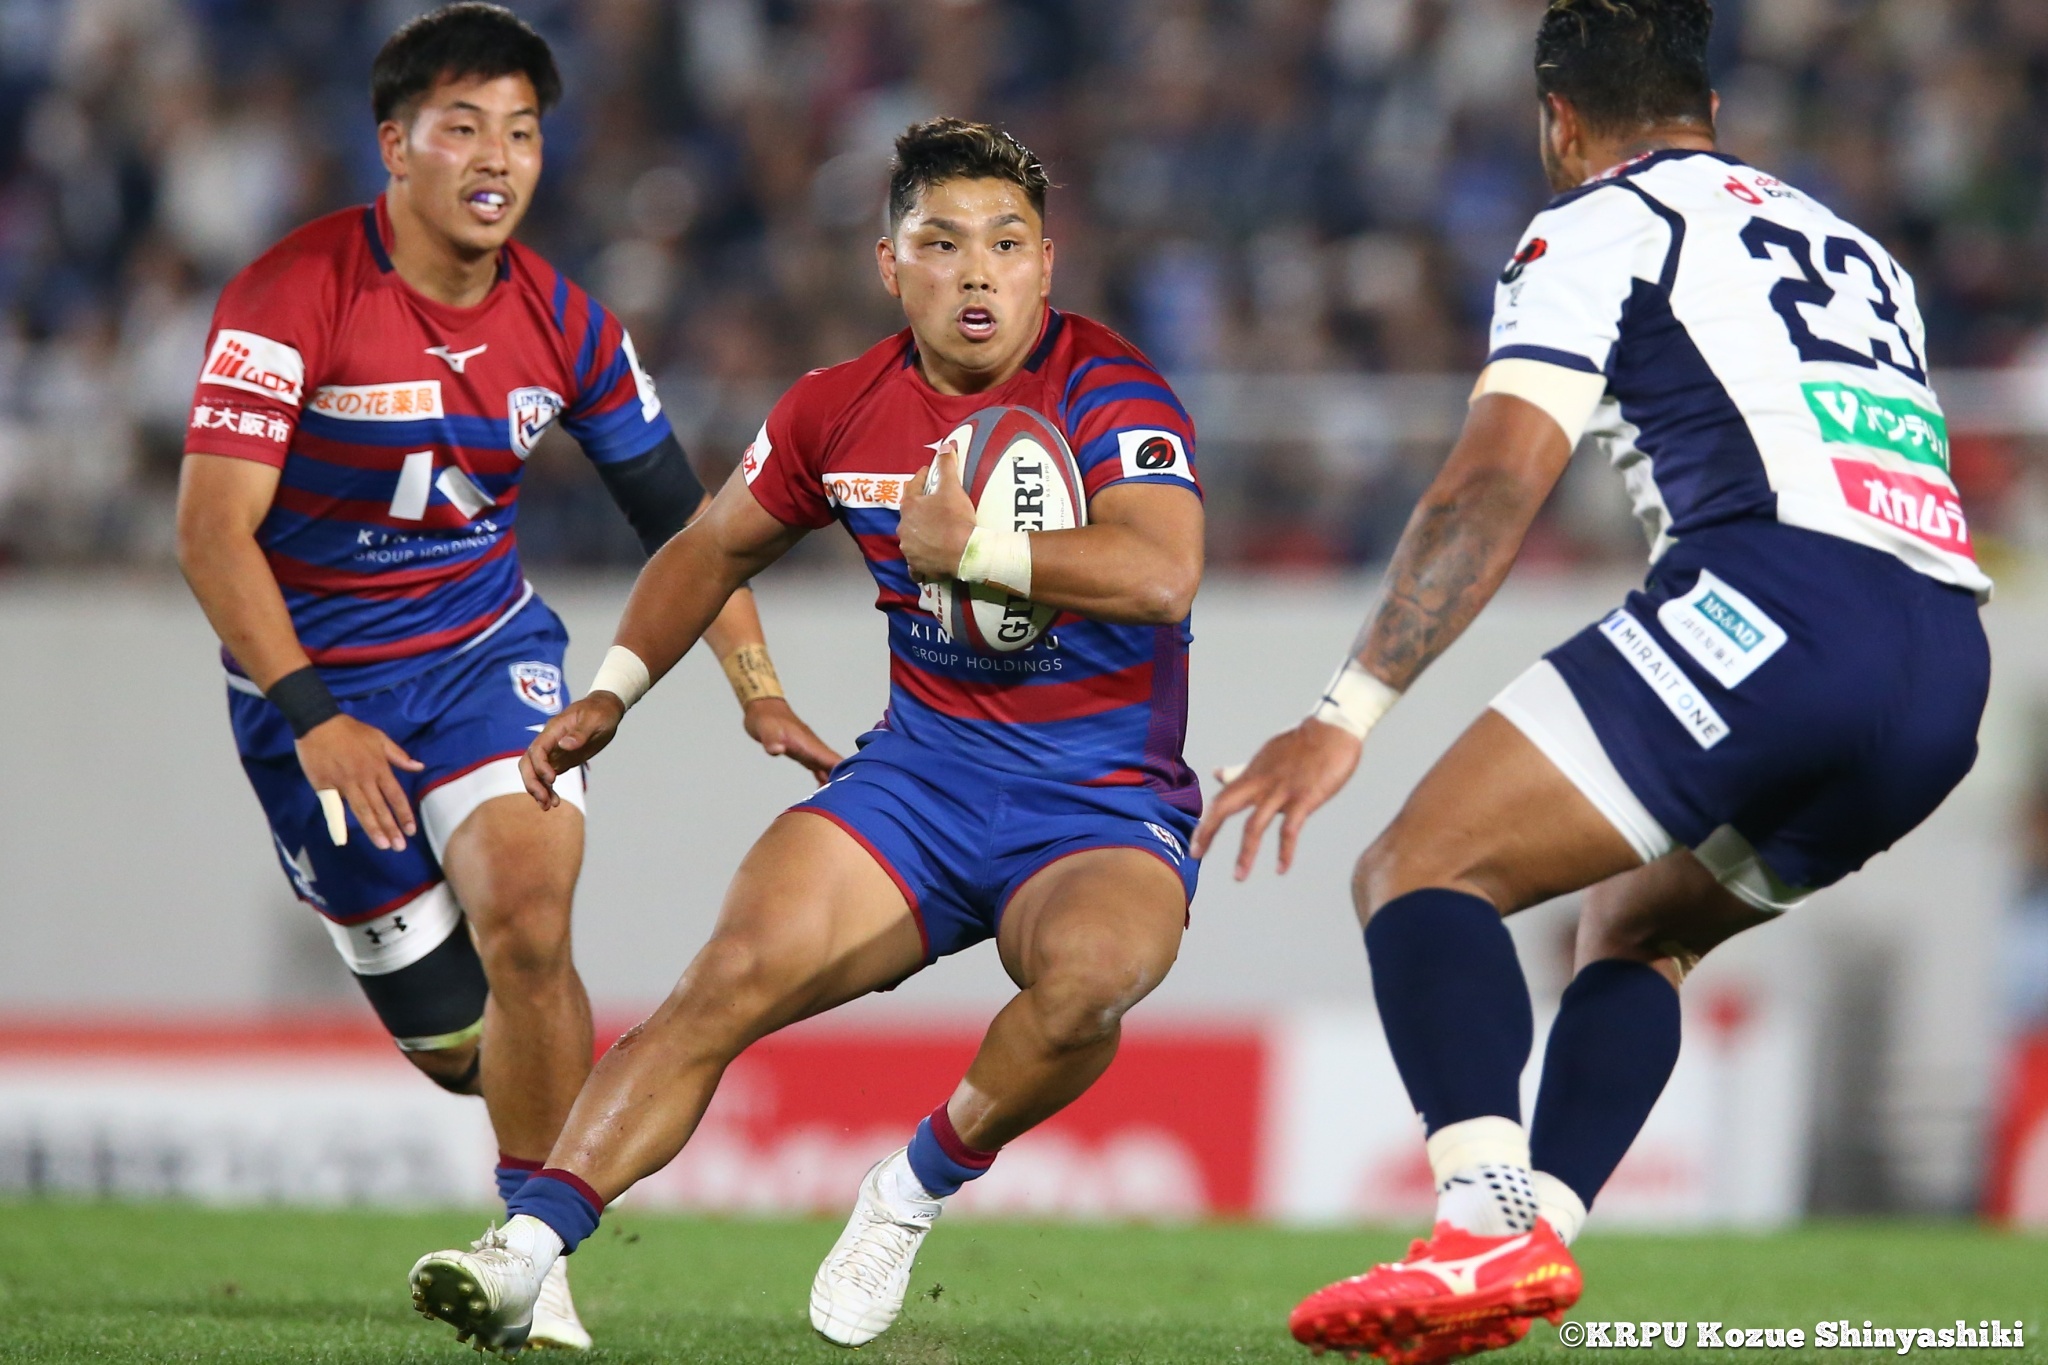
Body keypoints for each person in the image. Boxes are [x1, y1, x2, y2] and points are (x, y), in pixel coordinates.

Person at [1194, 1, 1991, 1360]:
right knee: (1638, 926)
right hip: (1944, 663)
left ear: (1558, 123)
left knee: (1420, 868)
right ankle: (1532, 1240)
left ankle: (1478, 1220)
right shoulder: (1857, 248)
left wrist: (1344, 714)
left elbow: (1495, 479)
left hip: (1780, 601)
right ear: (1711, 113)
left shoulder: (1597, 222)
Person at [405, 116, 1207, 1356]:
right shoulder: (836, 408)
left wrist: (977, 550)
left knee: (1091, 985)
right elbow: (708, 548)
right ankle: (525, 1253)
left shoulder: (1111, 388)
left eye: (1007, 244)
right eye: (941, 243)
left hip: (1099, 802)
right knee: (721, 984)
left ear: (1047, 264)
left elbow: (1161, 574)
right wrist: (614, 688)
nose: (978, 272)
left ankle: (909, 1189)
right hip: (916, 789)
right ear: (890, 265)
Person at [173, 5, 834, 1350]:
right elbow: (209, 532)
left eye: (522, 133)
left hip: (486, 660)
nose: (497, 157)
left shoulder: (567, 321)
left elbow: (693, 527)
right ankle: (520, 1107)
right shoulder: (290, 296)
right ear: (394, 146)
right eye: (463, 127)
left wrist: (754, 683)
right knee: (450, 1045)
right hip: (311, 698)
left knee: (531, 917)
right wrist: (312, 717)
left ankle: (536, 1259)